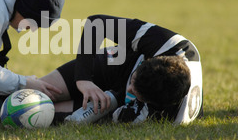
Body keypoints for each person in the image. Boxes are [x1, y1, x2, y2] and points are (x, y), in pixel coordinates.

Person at [41, 14, 203, 125]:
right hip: (121, 63)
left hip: (118, 101)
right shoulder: (172, 45)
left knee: (40, 111)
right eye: (134, 81)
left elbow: (105, 115)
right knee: (40, 89)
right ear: (153, 59)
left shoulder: (158, 116)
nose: (130, 88)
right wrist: (83, 79)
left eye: (135, 91)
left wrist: (112, 100)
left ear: (152, 103)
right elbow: (96, 24)